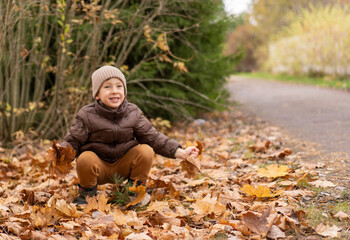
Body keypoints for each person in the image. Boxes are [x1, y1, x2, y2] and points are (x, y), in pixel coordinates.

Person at [61, 65, 199, 205]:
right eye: (107, 87)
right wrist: (59, 154)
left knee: (145, 150)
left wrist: (179, 152)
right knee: (85, 158)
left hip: (124, 165)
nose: (114, 91)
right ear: (97, 94)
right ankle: (87, 196)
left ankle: (133, 192)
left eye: (119, 86)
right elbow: (73, 141)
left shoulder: (133, 112)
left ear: (124, 91)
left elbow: (153, 137)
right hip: (98, 168)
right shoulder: (86, 115)